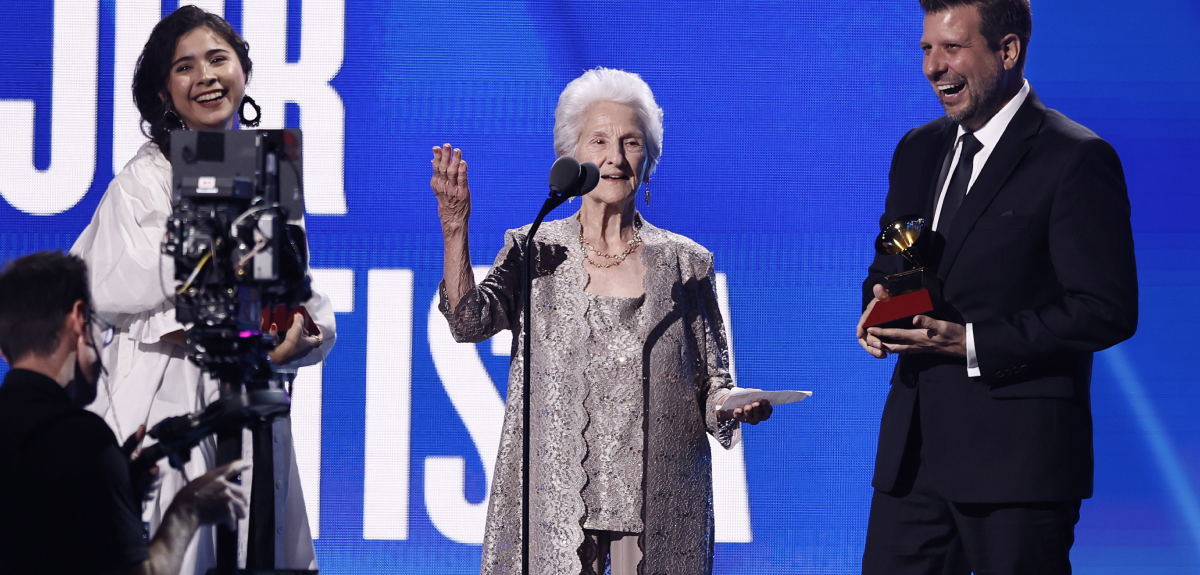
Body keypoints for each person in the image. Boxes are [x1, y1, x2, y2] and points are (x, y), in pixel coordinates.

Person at [432, 67, 773, 575]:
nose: (615, 156)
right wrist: (455, 227)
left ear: (649, 161)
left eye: (631, 142)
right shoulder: (534, 248)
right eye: (599, 140)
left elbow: (712, 383)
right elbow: (468, 322)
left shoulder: (687, 264)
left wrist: (731, 404)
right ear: (572, 158)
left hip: (657, 497)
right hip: (556, 497)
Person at [855, 0, 1138, 573]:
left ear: (1007, 51)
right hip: (914, 460)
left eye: (953, 48)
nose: (934, 66)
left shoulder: (1075, 158)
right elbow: (893, 269)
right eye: (927, 49)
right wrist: (881, 312)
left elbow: (1106, 308)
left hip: (1019, 464)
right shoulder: (918, 149)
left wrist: (974, 342)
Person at [69, 6, 336, 573]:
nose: (207, 76)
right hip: (170, 400)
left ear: (242, 68)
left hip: (254, 396)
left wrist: (300, 334)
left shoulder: (269, 168)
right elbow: (112, 283)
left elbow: (291, 283)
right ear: (165, 92)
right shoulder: (144, 179)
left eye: (219, 58)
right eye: (185, 67)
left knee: (258, 545)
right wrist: (216, 279)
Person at [0, 250, 250, 575]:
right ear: (79, 319)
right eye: (99, 324)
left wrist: (119, 492)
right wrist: (188, 510)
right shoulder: (83, 442)